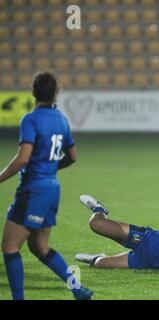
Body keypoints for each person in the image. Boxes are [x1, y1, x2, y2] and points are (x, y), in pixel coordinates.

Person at [0, 71, 93, 300]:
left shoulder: (30, 120)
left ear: (34, 92)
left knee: (10, 247)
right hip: (52, 189)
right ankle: (77, 289)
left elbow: (23, 158)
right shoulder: (61, 119)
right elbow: (72, 155)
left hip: (33, 190)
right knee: (39, 247)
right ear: (56, 93)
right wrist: (51, 168)